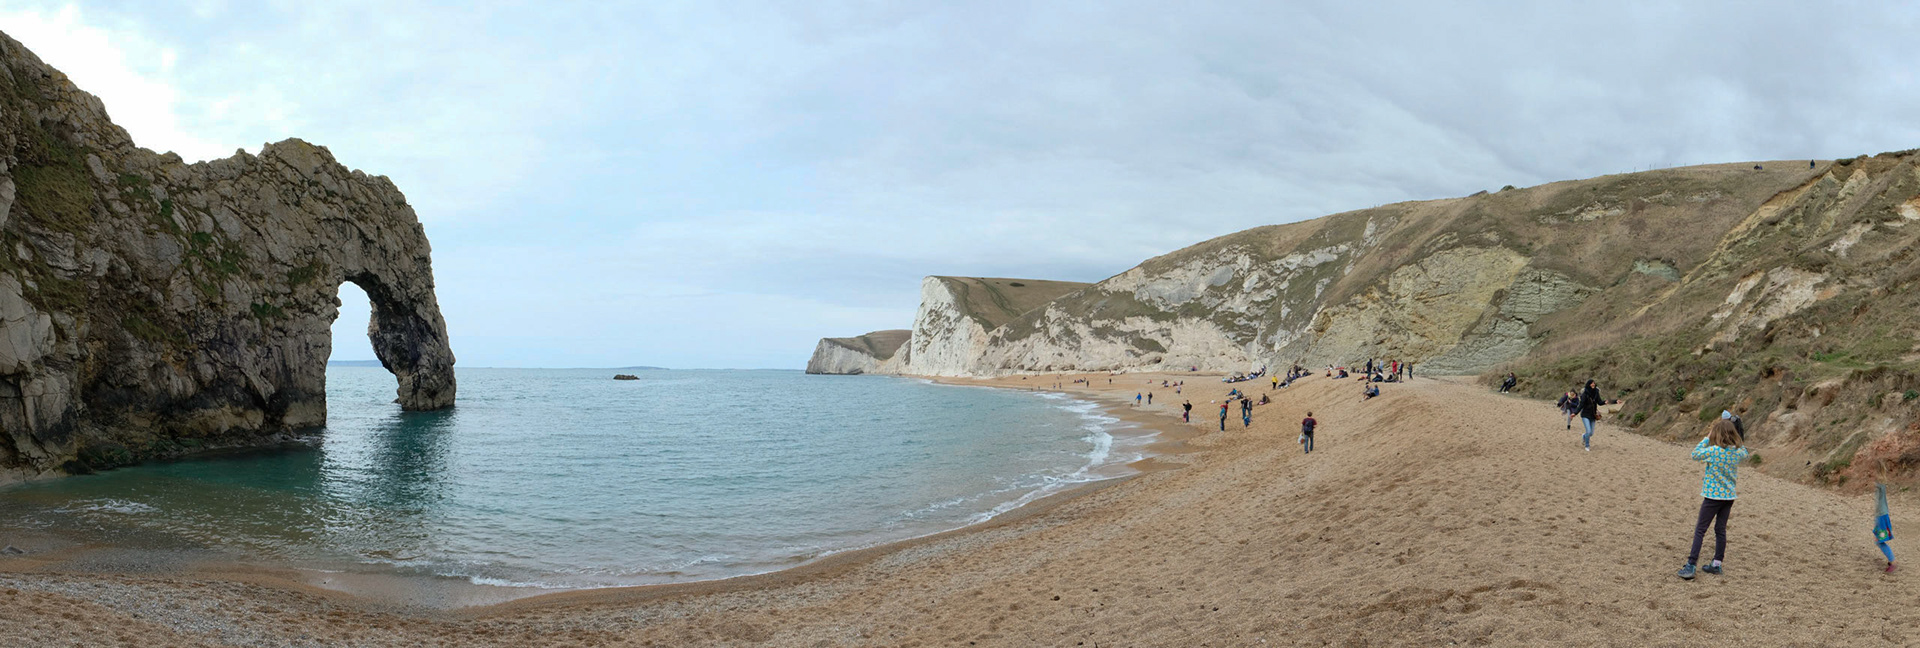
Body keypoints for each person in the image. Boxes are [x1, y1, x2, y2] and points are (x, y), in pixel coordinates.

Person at [1677, 418, 1750, 580]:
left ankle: (1691, 564)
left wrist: (1706, 438)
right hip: (1728, 497)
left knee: (1700, 530)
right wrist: (1739, 437)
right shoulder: (1736, 453)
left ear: (1716, 435)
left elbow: (1695, 454)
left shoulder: (1714, 451)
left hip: (1712, 498)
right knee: (1720, 530)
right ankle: (1717, 564)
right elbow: (1745, 453)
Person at [1876, 483, 1897, 573]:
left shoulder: (1877, 484)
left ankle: (1893, 561)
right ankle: (1891, 560)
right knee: (1878, 539)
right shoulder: (1881, 481)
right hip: (1882, 515)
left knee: (1879, 540)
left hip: (1880, 516)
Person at [1579, 380, 1602, 451]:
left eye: (1594, 383)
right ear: (1588, 385)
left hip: (1592, 415)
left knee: (1591, 433)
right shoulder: (1585, 394)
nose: (1593, 384)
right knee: (1588, 431)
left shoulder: (1596, 393)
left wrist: (1613, 401)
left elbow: (1600, 402)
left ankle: (1584, 436)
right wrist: (1574, 413)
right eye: (1591, 383)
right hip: (1585, 415)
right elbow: (1581, 405)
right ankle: (1587, 445)